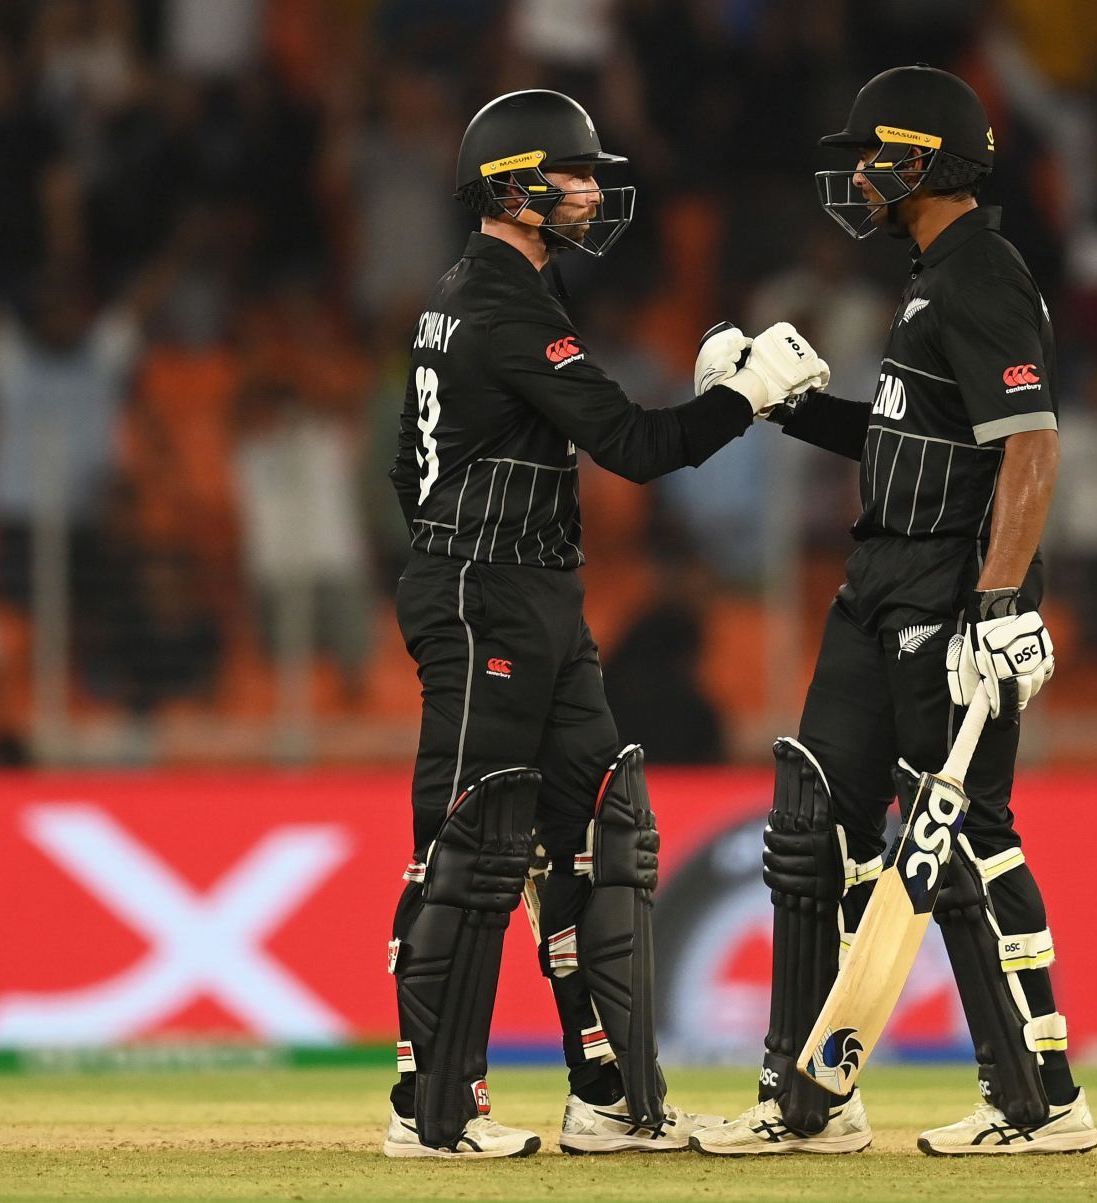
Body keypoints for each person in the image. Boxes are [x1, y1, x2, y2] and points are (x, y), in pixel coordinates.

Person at [382, 88, 828, 1159]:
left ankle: (612, 1094)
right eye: (574, 174)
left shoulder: (477, 294)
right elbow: (633, 445)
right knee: (470, 841)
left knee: (603, 827)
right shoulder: (503, 304)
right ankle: (430, 1113)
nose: (592, 191)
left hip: (524, 591)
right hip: (490, 592)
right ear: (519, 187)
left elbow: (411, 462)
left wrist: (472, 550)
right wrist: (751, 400)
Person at [694, 65, 1097, 1157]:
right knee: (812, 819)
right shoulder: (933, 279)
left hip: (949, 590)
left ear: (922, 160)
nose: (856, 173)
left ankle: (1040, 1101)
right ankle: (808, 1098)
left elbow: (1031, 444)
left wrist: (1001, 602)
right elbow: (907, 442)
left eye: (872, 153)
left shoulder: (983, 276)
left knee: (964, 839)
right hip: (879, 583)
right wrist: (787, 407)